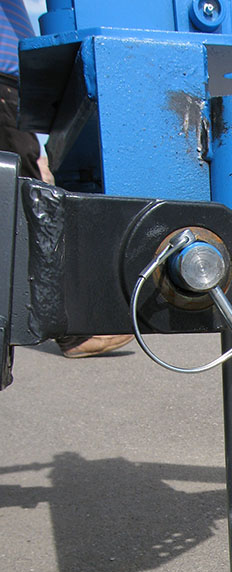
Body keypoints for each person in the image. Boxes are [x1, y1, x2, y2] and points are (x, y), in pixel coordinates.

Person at [1, 0, 133, 358]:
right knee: (29, 211)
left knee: (23, 204)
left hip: (13, 87)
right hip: (3, 84)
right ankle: (73, 328)